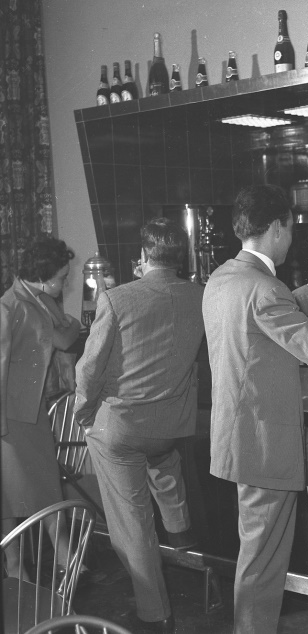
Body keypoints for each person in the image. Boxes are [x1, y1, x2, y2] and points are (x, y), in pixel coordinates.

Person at [203, 184, 308, 634]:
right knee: (262, 563)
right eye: (290, 227)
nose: (291, 236)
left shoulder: (225, 277)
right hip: (264, 443)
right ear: (276, 227)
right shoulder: (265, 287)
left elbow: (268, 311)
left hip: (251, 431)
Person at [75, 219, 204, 634]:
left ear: (145, 255)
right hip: (171, 426)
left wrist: (84, 413)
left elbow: (89, 369)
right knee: (162, 459)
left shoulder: (116, 299)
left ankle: (155, 614)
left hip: (124, 429)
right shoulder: (200, 294)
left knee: (131, 526)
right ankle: (180, 530)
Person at [1, 236, 81, 578]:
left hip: (32, 412)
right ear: (45, 275)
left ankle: (65, 558)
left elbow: (63, 338)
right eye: (62, 277)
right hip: (10, 416)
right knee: (8, 495)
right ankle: (16, 565)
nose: (65, 283)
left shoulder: (41, 299)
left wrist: (74, 322)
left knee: (46, 485)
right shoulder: (9, 306)